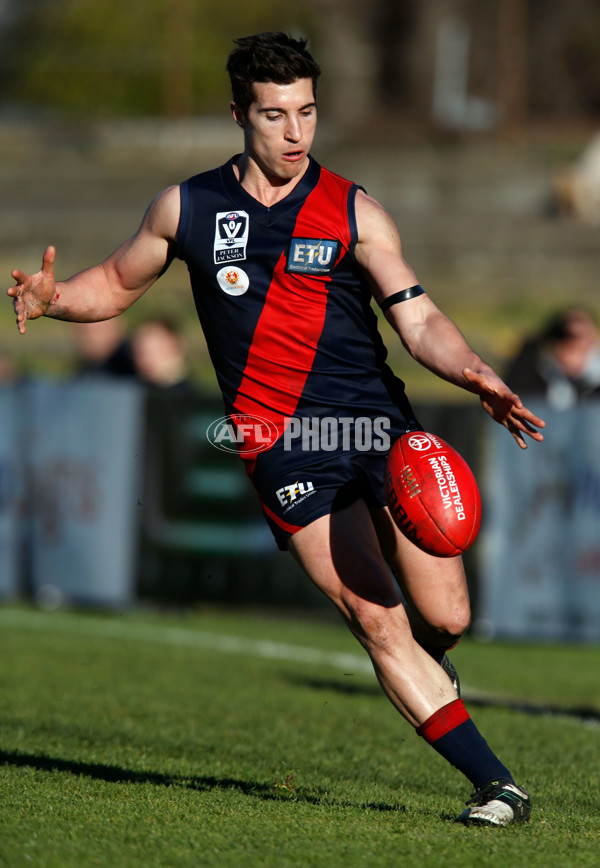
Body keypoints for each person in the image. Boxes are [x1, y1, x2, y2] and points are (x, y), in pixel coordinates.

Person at [7, 32, 545, 826]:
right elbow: (115, 285)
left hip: (378, 429)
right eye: (275, 116)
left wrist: (472, 370)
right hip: (278, 443)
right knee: (373, 616)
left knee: (449, 618)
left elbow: (418, 316)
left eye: (307, 113)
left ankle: (426, 677)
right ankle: (498, 786)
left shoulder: (354, 209)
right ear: (238, 115)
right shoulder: (186, 207)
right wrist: (56, 299)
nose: (295, 133)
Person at [505, 306, 600, 410]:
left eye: (580, 336)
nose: (574, 344)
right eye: (565, 336)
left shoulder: (595, 377)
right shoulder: (533, 371)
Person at [130, 316, 193, 393]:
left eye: (159, 349)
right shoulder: (131, 393)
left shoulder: (199, 399)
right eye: (141, 352)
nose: (147, 359)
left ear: (178, 346)